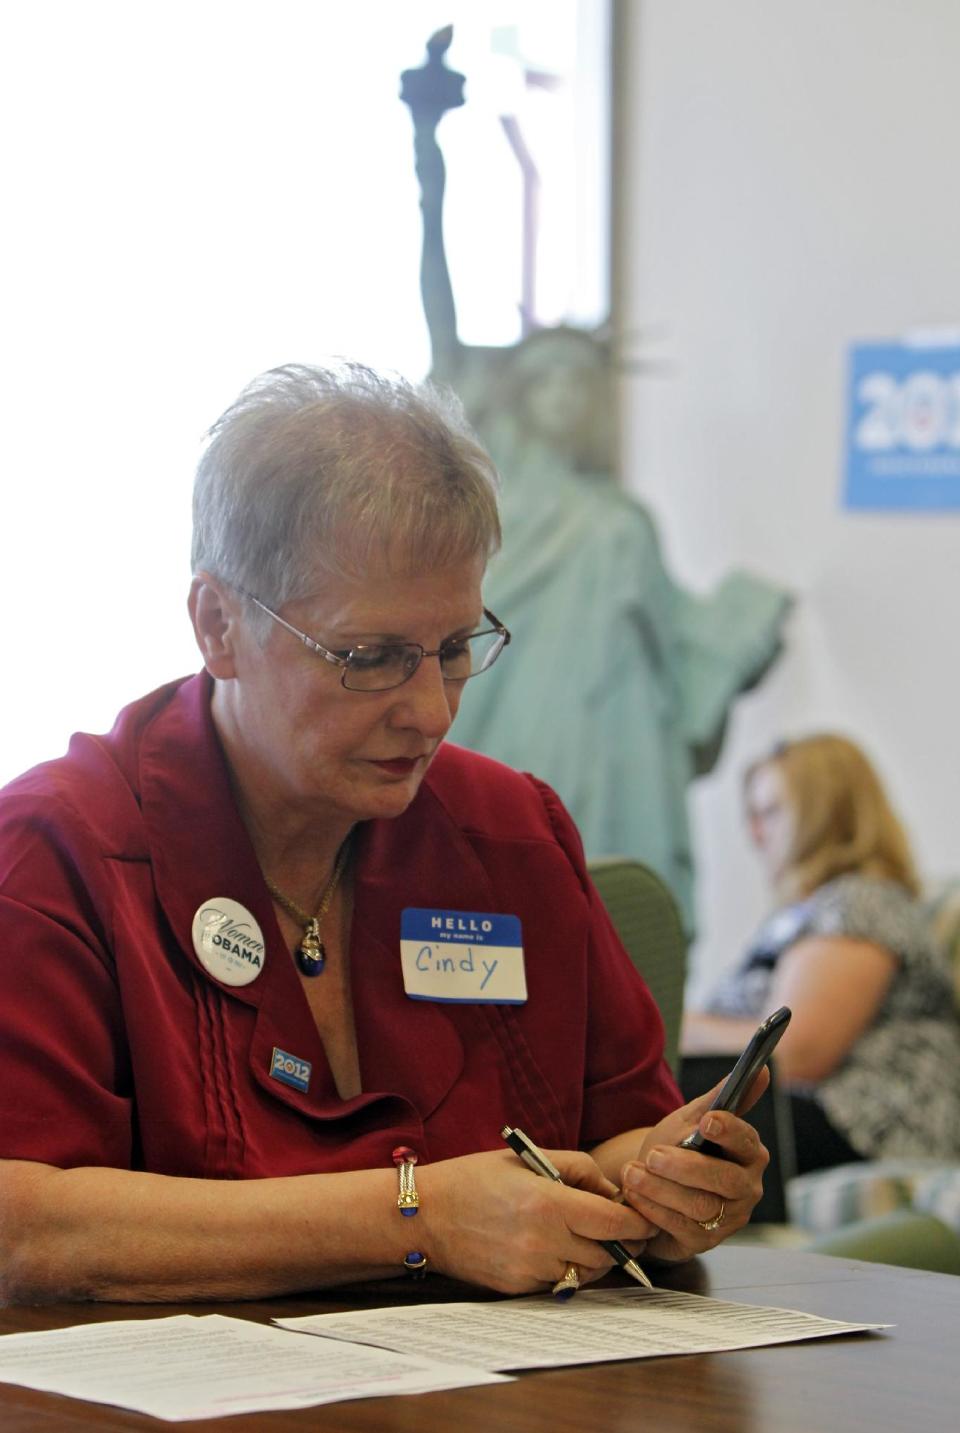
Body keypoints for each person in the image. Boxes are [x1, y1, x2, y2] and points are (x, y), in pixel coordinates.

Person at [0, 362, 768, 1305]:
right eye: (370, 659)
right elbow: (21, 1225)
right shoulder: (62, 850)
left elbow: (619, 1135)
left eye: (454, 649)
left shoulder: (511, 834)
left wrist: (670, 1183)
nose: (432, 711)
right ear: (217, 625)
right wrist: (420, 1219)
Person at [402, 39, 791, 931]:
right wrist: (430, 146)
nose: (569, 399)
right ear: (522, 393)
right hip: (500, 723)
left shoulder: (623, 521)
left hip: (614, 765)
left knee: (606, 922)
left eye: (584, 384)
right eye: (551, 381)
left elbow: (675, 666)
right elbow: (440, 302)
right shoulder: (484, 474)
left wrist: (736, 630)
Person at [682, 734, 960, 1173]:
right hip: (815, 1115)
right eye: (750, 817)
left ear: (826, 813)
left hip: (867, 1124)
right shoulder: (802, 914)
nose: (754, 834)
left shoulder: (862, 903)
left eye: (770, 812)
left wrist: (672, 1027)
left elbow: (795, 1055)